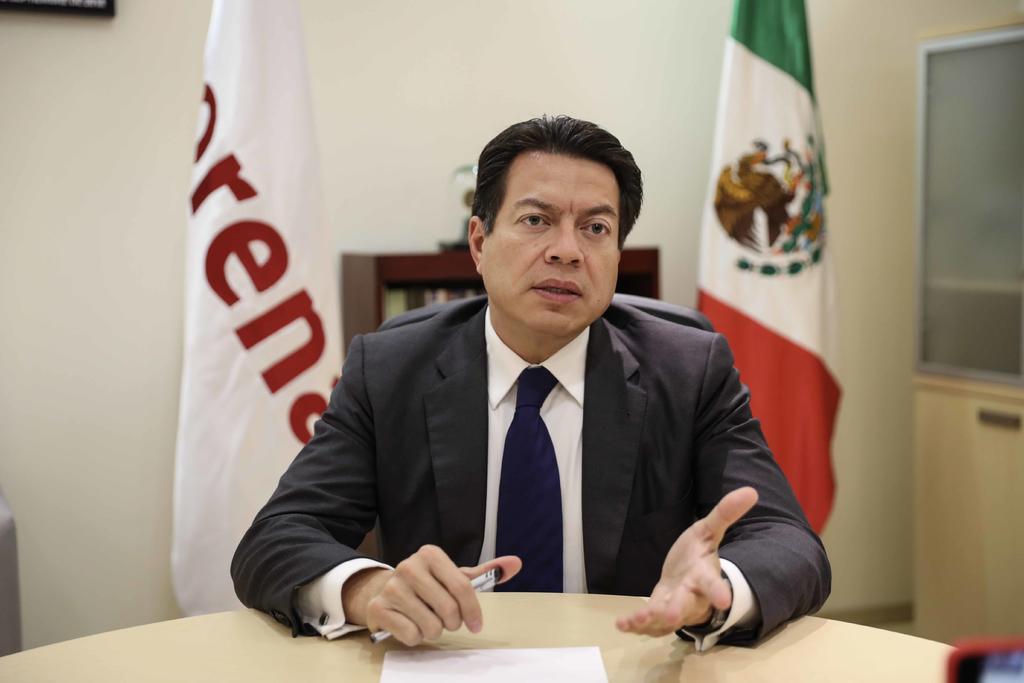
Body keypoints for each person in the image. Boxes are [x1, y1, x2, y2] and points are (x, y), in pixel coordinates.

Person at [231, 115, 830, 650]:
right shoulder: (390, 370)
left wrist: (715, 591)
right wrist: (368, 589)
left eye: (596, 228)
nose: (567, 251)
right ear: (479, 242)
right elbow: (278, 537)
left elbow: (788, 541)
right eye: (536, 220)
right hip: (445, 662)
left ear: (618, 256)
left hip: (626, 663)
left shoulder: (689, 372)